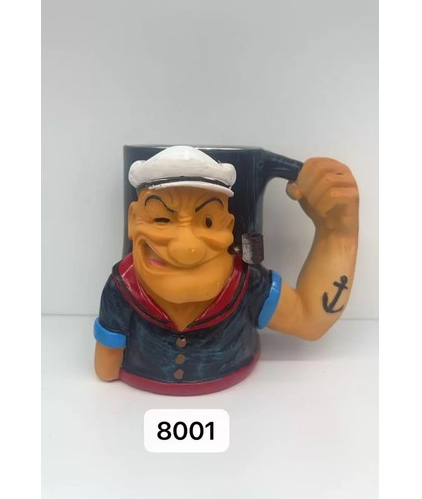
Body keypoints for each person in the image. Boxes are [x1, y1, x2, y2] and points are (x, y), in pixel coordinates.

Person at [94, 146, 358, 395]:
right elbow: (106, 365)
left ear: (229, 225)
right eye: (162, 219)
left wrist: (337, 233)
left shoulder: (246, 282)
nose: (186, 248)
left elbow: (309, 319)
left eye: (208, 222)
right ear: (133, 220)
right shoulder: (123, 286)